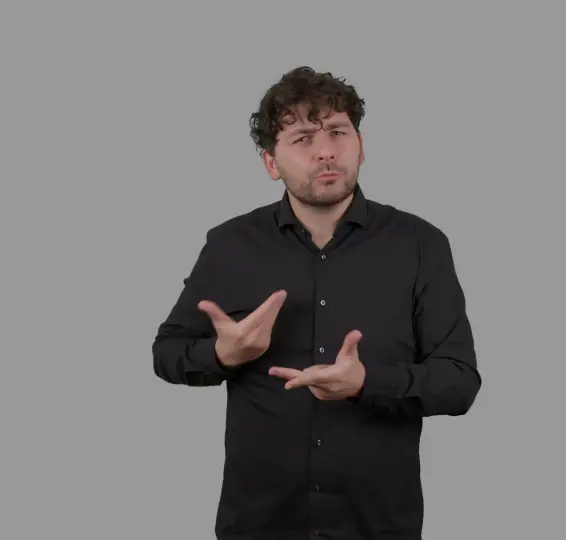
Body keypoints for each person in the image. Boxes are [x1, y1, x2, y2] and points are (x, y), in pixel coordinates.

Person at [152, 66, 482, 540]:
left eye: (337, 132)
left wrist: (366, 382)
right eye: (303, 138)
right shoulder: (230, 245)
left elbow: (459, 382)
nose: (325, 150)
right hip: (259, 526)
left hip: (378, 526)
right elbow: (167, 353)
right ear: (271, 163)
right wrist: (223, 355)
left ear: (360, 146)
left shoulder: (420, 244)